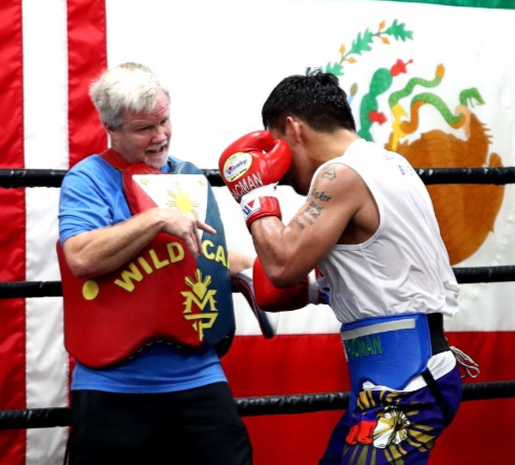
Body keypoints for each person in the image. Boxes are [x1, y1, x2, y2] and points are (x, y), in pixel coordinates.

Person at [218, 70, 479, 464]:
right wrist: (304, 286)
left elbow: (283, 265)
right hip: (395, 381)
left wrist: (253, 192)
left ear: (293, 128)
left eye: (276, 146)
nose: (281, 173)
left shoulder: (340, 174)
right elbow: (385, 270)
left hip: (405, 386)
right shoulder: (390, 164)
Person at [58, 62, 253, 464]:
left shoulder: (185, 177)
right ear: (111, 129)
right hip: (114, 381)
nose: (160, 135)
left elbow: (207, 254)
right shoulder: (88, 180)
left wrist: (269, 271)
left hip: (197, 373)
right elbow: (80, 256)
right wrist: (155, 218)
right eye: (144, 128)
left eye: (164, 121)